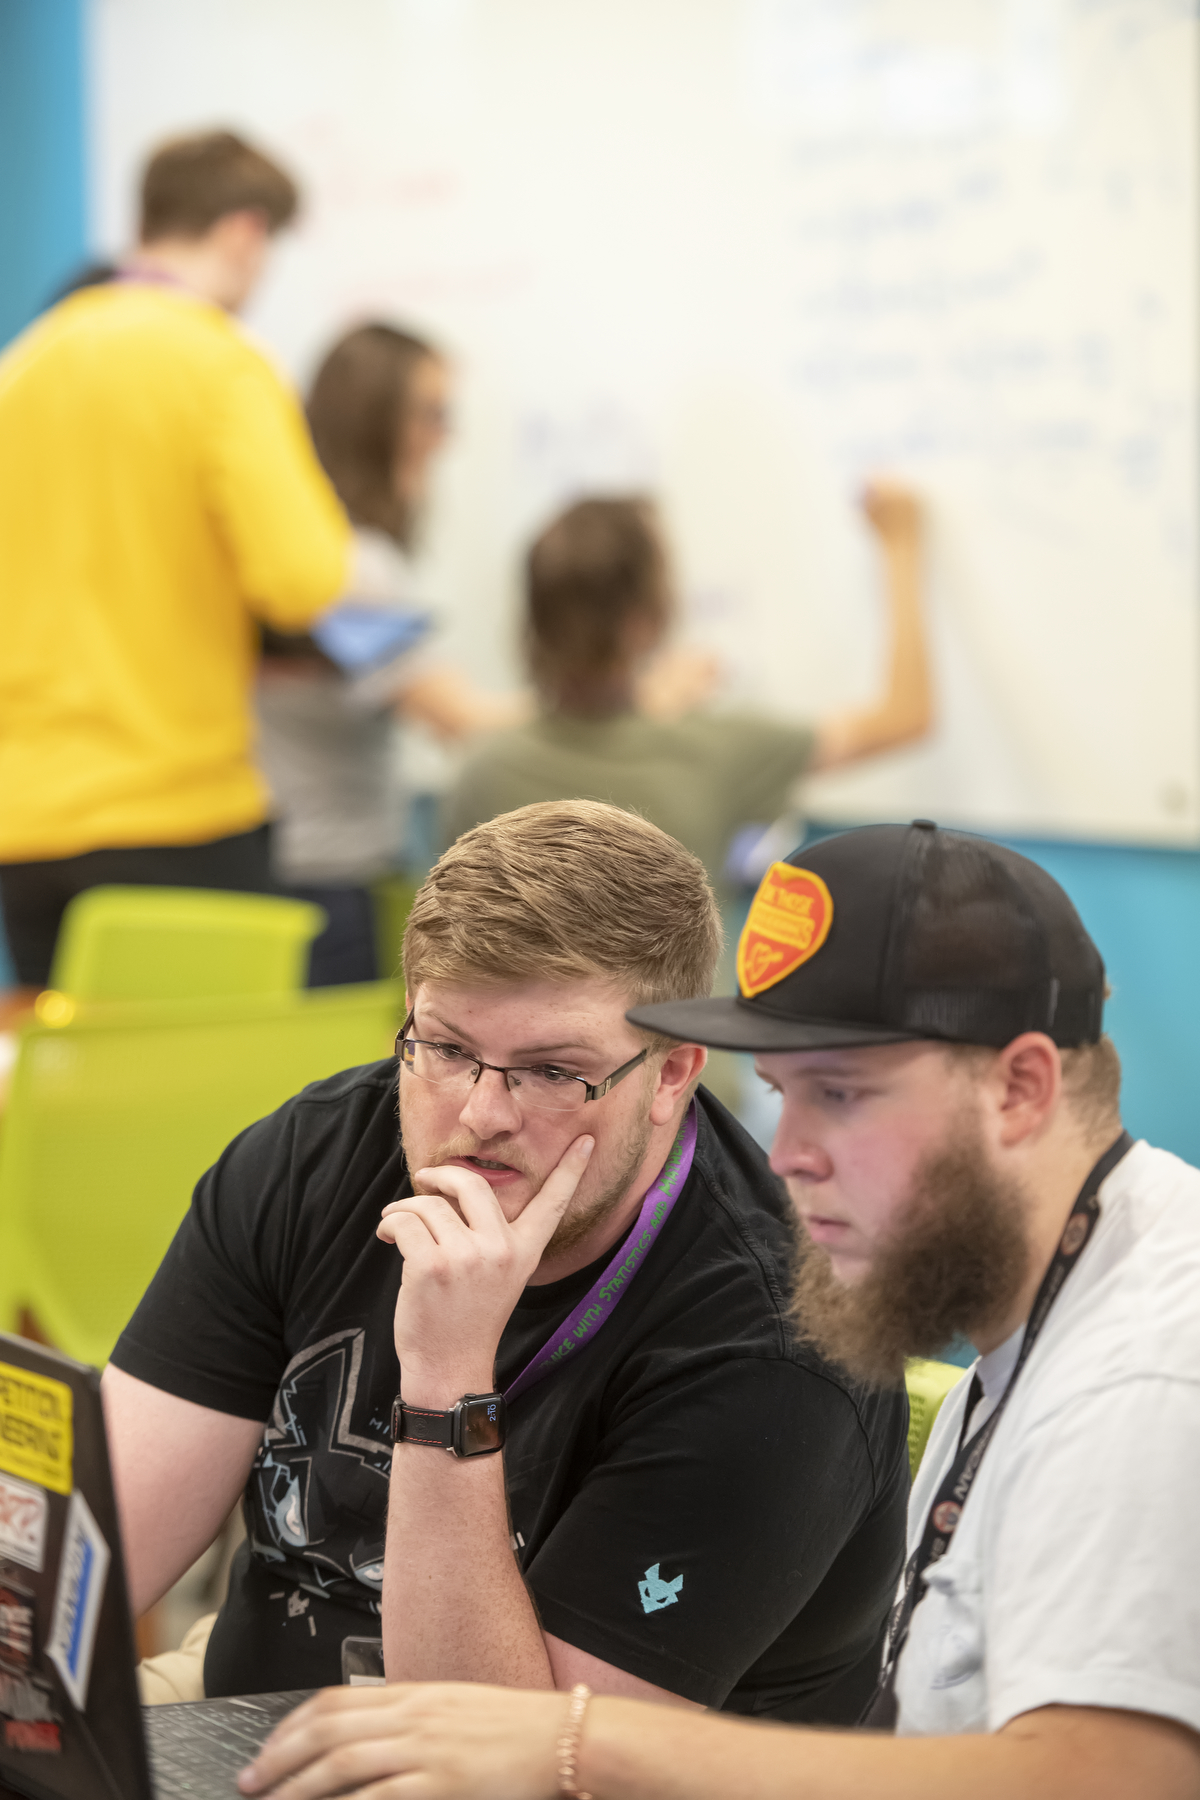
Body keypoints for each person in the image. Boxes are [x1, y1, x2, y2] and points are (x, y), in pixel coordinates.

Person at [239, 820, 1200, 1800]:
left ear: (1020, 1089)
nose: (789, 1155)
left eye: (842, 1093)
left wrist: (571, 1745)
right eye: (785, 1094)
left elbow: (1114, 1779)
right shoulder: (1058, 1314)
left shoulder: (1143, 1378)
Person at [102, 800, 909, 1721]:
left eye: (554, 1071)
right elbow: (101, 1548)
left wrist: (447, 1378)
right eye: (445, 1048)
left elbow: (504, 1772)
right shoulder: (314, 1155)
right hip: (245, 1709)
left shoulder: (777, 1348)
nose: (481, 1114)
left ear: (674, 1073)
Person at [0, 129, 351, 991]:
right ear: (242, 231)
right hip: (178, 815)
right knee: (216, 1111)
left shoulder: (24, 364)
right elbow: (301, 580)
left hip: (28, 822)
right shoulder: (217, 361)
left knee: (87, 1111)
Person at [442, 484, 933, 906]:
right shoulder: (709, 751)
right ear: (645, 624)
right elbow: (905, 715)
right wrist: (902, 546)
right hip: (676, 1019)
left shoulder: (482, 772)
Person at [257, 322, 524, 984]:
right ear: (380, 423)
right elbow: (462, 721)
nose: (446, 437)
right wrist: (633, 702)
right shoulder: (354, 569)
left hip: (282, 866)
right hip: (327, 882)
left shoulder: (301, 551)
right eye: (433, 413)